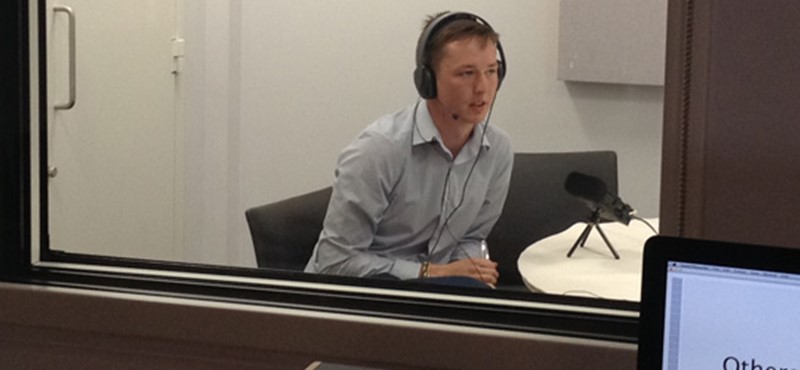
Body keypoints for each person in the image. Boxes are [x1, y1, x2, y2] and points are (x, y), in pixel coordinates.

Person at [304, 11, 513, 286]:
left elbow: (471, 237)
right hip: (359, 297)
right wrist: (431, 273)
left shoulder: (497, 150)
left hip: (432, 293)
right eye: (466, 74)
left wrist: (472, 271)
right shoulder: (378, 151)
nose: (483, 88)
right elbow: (334, 262)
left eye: (491, 71)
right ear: (427, 80)